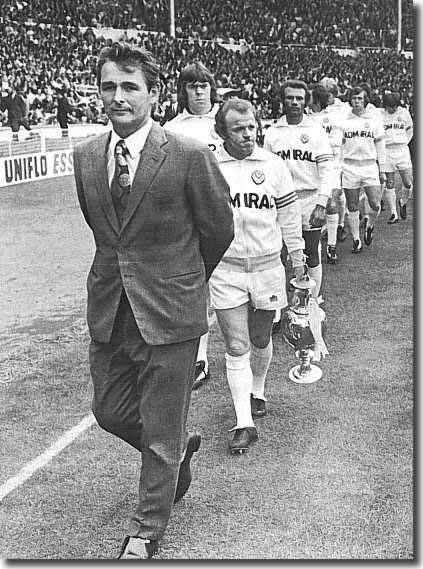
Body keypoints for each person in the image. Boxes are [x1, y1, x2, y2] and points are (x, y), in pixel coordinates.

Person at [73, 42, 234, 559]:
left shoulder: (189, 156)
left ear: (153, 94)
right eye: (108, 86)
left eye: (129, 87)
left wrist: (182, 280)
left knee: (160, 429)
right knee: (110, 410)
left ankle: (146, 530)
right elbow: (105, 234)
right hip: (111, 309)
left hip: (170, 312)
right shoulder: (85, 156)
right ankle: (178, 449)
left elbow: (218, 230)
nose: (117, 97)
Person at [210, 98, 305, 454]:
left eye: (251, 126)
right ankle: (243, 422)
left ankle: (258, 389)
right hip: (226, 270)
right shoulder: (210, 165)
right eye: (238, 128)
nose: (247, 134)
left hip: (267, 268)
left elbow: (289, 218)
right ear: (223, 132)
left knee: (260, 337)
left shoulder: (274, 165)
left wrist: (297, 259)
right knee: (236, 345)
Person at [165, 62, 222, 389]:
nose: (199, 91)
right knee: (197, 290)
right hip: (190, 221)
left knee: (235, 288)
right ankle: (200, 358)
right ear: (183, 90)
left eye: (203, 85)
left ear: (212, 88)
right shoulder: (173, 128)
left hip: (230, 215)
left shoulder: (224, 121)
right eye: (192, 86)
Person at [264, 80, 335, 304]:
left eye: (299, 98)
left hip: (309, 198)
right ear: (282, 100)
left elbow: (327, 170)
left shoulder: (315, 130)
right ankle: (277, 307)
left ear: (305, 101)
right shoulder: (273, 132)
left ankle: (311, 303)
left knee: (311, 251)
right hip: (281, 202)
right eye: (290, 98)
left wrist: (322, 203)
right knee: (279, 254)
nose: (294, 102)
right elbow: (266, 171)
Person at [341, 86, 386, 253]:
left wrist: (382, 168)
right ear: (350, 100)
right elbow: (339, 146)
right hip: (349, 166)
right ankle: (356, 239)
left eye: (360, 98)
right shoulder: (344, 120)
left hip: (369, 166)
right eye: (354, 98)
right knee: (352, 205)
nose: (357, 102)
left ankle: (369, 225)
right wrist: (339, 167)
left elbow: (380, 145)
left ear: (365, 100)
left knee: (375, 204)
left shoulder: (374, 119)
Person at [309, 84, 347, 264]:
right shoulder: (305, 117)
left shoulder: (333, 118)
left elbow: (337, 142)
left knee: (330, 203)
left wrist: (317, 143)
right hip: (308, 166)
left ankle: (331, 246)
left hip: (330, 164)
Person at [380, 91, 413, 222]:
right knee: (390, 182)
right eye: (390, 106)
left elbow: (410, 128)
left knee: (407, 183)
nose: (392, 109)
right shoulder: (380, 114)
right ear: (385, 105)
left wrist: (406, 141)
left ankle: (403, 202)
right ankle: (394, 214)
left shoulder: (404, 112)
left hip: (401, 150)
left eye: (394, 106)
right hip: (387, 150)